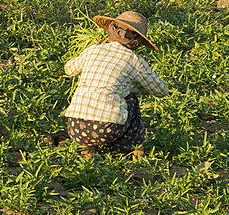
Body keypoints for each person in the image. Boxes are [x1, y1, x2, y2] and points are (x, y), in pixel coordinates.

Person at [63, 11, 169, 159]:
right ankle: (136, 151)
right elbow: (161, 91)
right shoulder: (134, 60)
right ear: (137, 40)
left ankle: (88, 150)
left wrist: (89, 50)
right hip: (107, 129)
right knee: (131, 99)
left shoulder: (94, 50)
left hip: (75, 129)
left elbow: (69, 69)